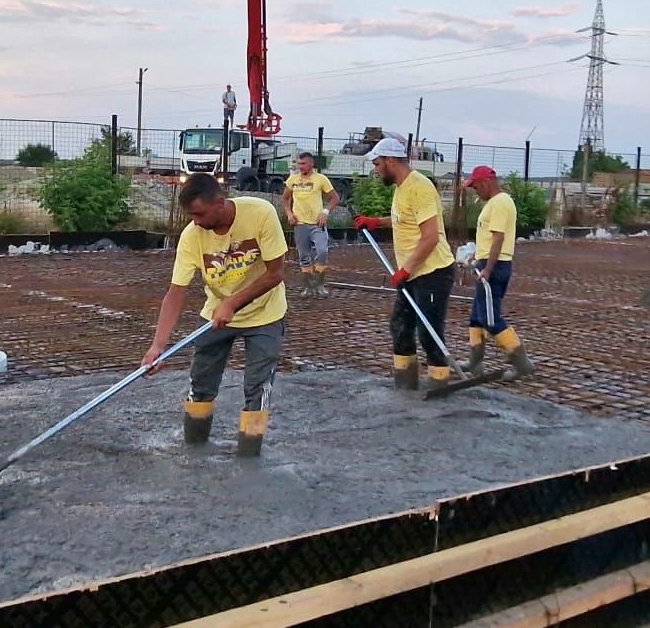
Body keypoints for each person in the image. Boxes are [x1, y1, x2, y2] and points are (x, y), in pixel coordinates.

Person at [143, 174, 288, 457]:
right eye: (191, 215)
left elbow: (276, 273)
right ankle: (194, 453)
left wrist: (233, 303)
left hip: (265, 315)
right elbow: (176, 292)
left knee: (258, 388)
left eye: (199, 214)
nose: (195, 221)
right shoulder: (191, 236)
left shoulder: (260, 213)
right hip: (216, 316)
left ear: (220, 203)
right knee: (201, 383)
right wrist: (158, 346)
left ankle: (249, 461)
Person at [352, 137, 456, 390]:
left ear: (390, 161)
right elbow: (404, 219)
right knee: (399, 327)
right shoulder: (402, 187)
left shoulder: (419, 187)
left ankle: (439, 386)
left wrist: (405, 270)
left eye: (377, 164)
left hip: (432, 271)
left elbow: (430, 237)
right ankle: (405, 385)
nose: (375, 170)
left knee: (429, 333)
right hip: (411, 273)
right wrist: (377, 221)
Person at [462, 166, 537, 380]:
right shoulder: (493, 204)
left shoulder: (501, 203)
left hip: (495, 267)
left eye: (476, 187)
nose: (476, 191)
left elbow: (498, 238)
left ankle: (523, 364)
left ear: (486, 182)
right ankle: (474, 362)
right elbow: (488, 238)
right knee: (477, 316)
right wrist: (476, 257)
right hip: (488, 263)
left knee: (490, 318)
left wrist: (487, 269)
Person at [280, 152, 340, 297]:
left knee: (322, 251)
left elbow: (335, 198)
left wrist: (325, 212)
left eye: (303, 164)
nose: (300, 167)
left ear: (311, 164)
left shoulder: (320, 179)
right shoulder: (293, 180)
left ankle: (319, 284)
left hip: (317, 224)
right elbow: (285, 199)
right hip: (300, 224)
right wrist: (289, 214)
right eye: (299, 164)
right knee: (304, 256)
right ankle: (308, 287)